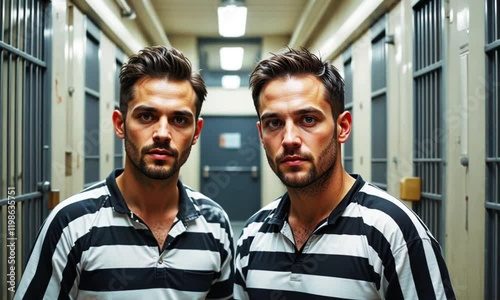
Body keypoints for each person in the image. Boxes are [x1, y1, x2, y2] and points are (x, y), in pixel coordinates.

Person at [233, 48, 456, 299]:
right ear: (261, 134)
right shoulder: (252, 235)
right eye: (274, 123)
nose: (290, 139)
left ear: (343, 127)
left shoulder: (394, 233)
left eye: (308, 119)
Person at [15, 46, 234, 300]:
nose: (162, 133)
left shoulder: (215, 223)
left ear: (196, 132)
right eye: (146, 116)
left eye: (179, 120)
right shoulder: (71, 223)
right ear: (120, 124)